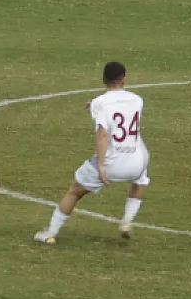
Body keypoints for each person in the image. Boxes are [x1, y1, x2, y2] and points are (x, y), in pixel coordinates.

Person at [34, 61, 149, 244]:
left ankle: (50, 233)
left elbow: (102, 134)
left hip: (112, 162)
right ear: (124, 79)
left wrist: (102, 165)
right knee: (140, 181)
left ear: (103, 79)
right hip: (136, 161)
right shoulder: (137, 100)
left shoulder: (99, 103)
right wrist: (95, 107)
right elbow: (120, 112)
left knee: (74, 192)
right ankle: (126, 222)